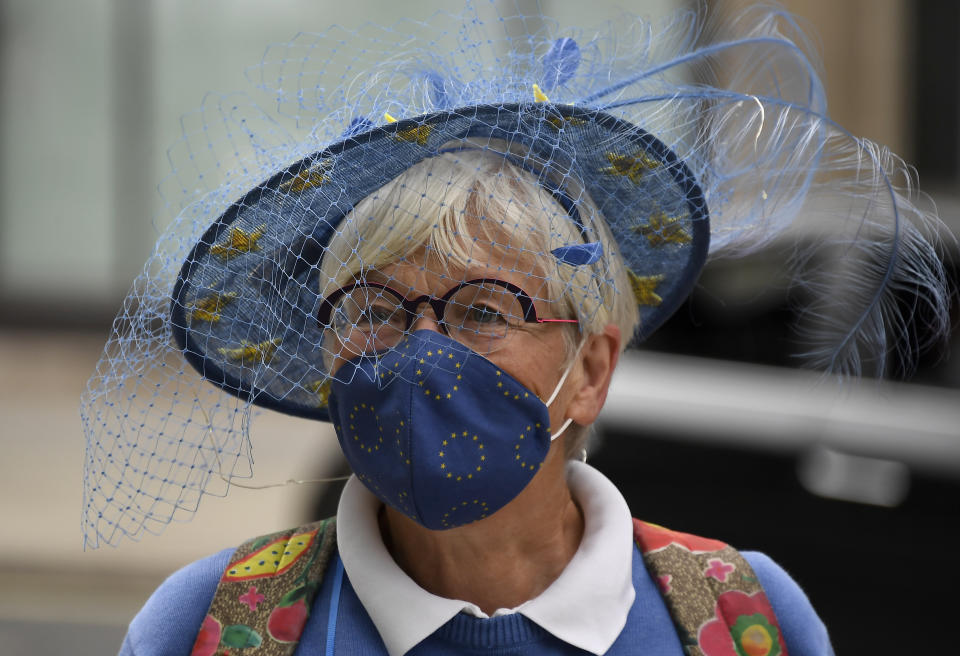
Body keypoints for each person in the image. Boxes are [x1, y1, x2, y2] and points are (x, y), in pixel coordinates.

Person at [82, 3, 949, 655]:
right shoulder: (212, 627)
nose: (421, 352)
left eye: (484, 311)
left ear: (591, 368)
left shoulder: (741, 618)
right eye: (376, 310)